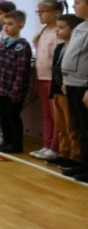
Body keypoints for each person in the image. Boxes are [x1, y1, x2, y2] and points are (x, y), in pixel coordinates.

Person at [0, 10, 31, 154]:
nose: (6, 27)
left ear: (20, 25)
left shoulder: (22, 45)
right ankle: (6, 141)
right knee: (3, 115)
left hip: (13, 89)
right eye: (5, 24)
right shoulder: (2, 43)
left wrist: (16, 90)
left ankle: (16, 144)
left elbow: (22, 71)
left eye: (10, 24)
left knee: (13, 116)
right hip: (0, 87)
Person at [61, 0, 88, 181]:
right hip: (72, 83)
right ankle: (84, 164)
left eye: (78, 2)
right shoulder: (80, 27)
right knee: (79, 127)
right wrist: (66, 79)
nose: (73, 6)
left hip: (84, 85)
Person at [31, 0, 63, 160]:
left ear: (56, 13)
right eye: (39, 11)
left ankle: (55, 147)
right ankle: (47, 144)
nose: (40, 15)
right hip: (41, 77)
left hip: (53, 79)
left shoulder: (59, 32)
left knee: (56, 115)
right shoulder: (43, 31)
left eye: (44, 11)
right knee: (46, 114)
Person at [50, 14, 82, 170]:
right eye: (57, 27)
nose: (57, 30)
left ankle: (76, 156)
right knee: (61, 126)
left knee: (72, 127)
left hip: (69, 91)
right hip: (57, 90)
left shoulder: (76, 48)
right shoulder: (59, 48)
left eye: (62, 27)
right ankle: (64, 152)